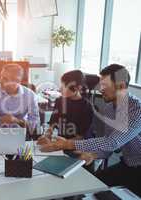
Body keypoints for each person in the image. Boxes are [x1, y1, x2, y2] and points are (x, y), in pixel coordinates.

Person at [37, 64, 141, 196]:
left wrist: (68, 144)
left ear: (120, 86)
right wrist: (94, 154)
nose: (100, 89)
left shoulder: (136, 109)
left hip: (138, 168)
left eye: (104, 85)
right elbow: (106, 145)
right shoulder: (109, 109)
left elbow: (113, 142)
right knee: (89, 187)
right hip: (127, 164)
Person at [0, 64, 39, 134]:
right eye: (1, 77)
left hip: (20, 133)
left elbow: (33, 126)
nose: (0, 81)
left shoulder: (30, 96)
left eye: (5, 78)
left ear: (16, 81)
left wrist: (16, 120)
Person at [47, 70, 93, 139]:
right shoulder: (60, 101)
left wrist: (61, 144)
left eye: (64, 86)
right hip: (61, 141)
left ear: (78, 88)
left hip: (77, 145)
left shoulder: (87, 107)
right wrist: (48, 133)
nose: (60, 89)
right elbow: (53, 122)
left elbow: (80, 136)